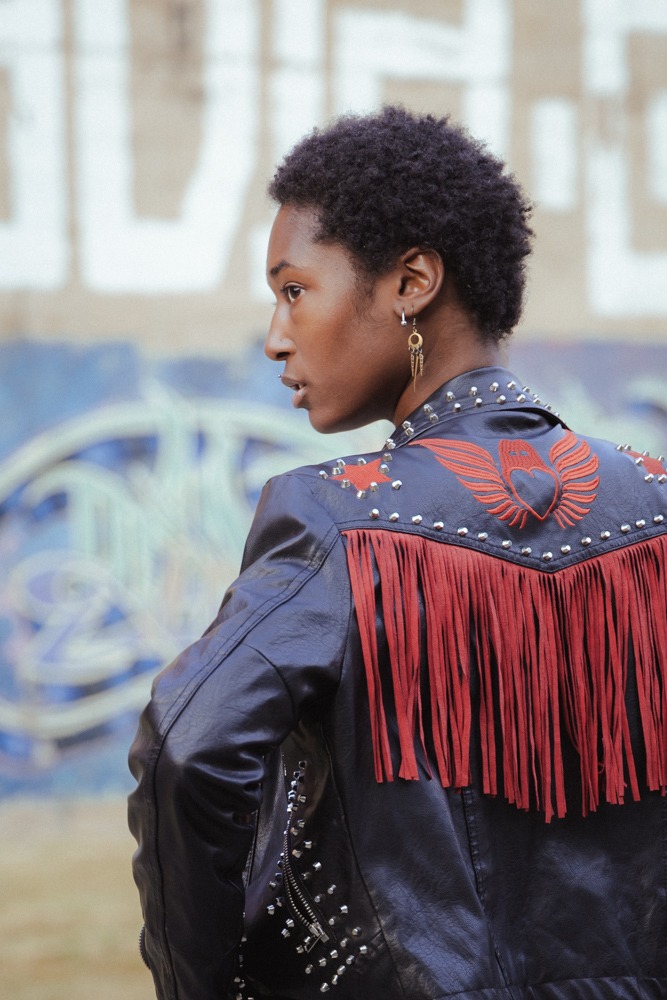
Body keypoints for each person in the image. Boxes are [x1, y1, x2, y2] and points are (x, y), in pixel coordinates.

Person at [128, 106, 667, 1000]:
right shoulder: (651, 502)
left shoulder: (337, 518)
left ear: (411, 281)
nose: (275, 335)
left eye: (294, 288)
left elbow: (185, 752)